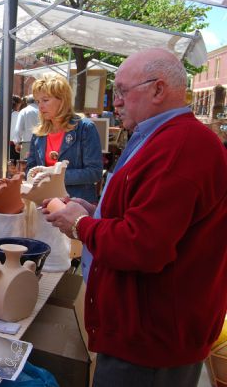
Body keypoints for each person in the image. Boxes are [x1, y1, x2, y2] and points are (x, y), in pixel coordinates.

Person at [45, 48, 227, 386]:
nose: (115, 102)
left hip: (150, 343)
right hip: (144, 332)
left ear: (158, 90)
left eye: (123, 91)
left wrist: (82, 225)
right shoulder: (159, 137)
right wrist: (92, 212)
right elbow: (142, 215)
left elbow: (143, 245)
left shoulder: (182, 146)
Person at [25, 74, 103, 204]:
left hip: (76, 204)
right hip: (45, 204)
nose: (40, 106)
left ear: (62, 100)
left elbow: (94, 172)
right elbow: (30, 168)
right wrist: (35, 175)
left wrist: (54, 176)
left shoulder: (85, 128)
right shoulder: (39, 133)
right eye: (38, 101)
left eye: (45, 100)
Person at [14, 95, 39, 160]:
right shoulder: (41, 111)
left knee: (25, 165)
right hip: (41, 142)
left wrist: (17, 142)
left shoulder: (23, 111)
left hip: (27, 143)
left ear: (27, 102)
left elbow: (18, 129)